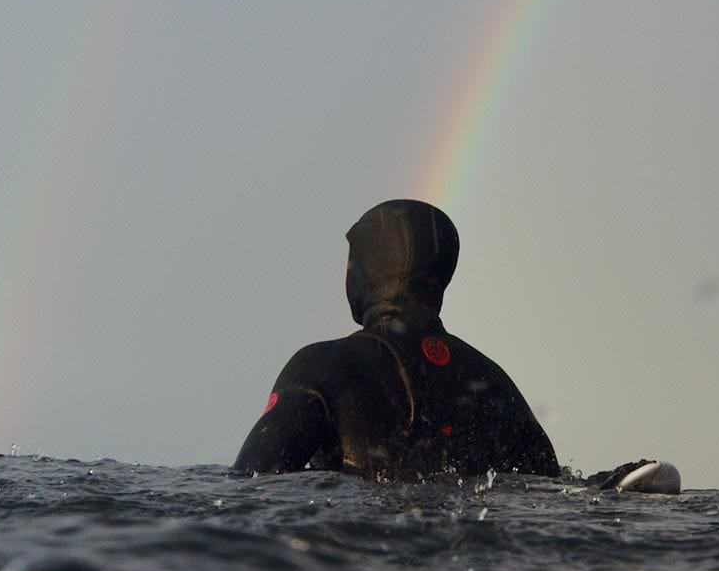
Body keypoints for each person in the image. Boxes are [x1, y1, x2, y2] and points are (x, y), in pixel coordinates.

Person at [233, 199, 560, 480]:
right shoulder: (493, 380)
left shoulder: (323, 365)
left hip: (368, 546)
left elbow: (249, 486)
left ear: (364, 268)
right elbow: (552, 491)